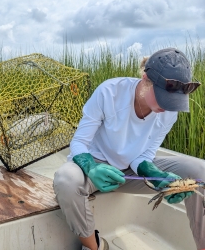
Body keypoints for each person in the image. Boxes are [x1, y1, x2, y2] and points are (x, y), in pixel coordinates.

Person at [53, 48, 204, 250]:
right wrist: (90, 168)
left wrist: (155, 176)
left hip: (132, 171)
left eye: (173, 102)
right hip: (94, 168)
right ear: (145, 80)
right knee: (66, 181)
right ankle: (95, 246)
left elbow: (146, 154)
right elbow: (79, 142)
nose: (167, 107)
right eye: (163, 98)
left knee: (199, 171)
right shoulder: (109, 92)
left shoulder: (169, 113)